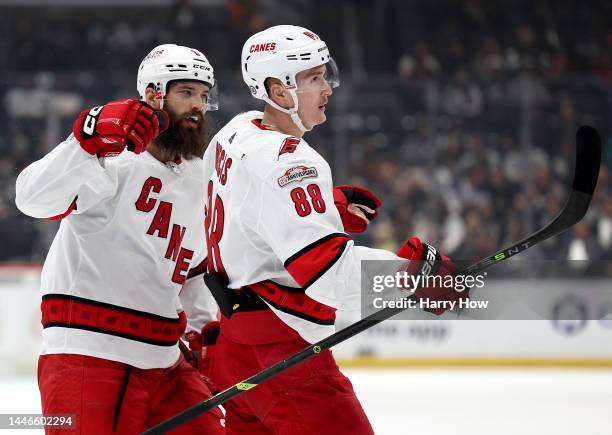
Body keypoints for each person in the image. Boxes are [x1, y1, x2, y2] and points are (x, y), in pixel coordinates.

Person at [200, 25, 467, 434]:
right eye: (313, 78)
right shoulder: (290, 163)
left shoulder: (231, 135)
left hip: (234, 349)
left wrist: (323, 211)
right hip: (282, 357)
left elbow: (245, 217)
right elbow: (327, 276)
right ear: (278, 90)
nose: (328, 88)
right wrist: (411, 276)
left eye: (325, 74)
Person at [15, 44, 225, 434]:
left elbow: (192, 268)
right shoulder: (110, 159)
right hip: (88, 355)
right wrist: (85, 142)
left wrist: (204, 328)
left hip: (165, 362)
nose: (198, 105)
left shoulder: (200, 175)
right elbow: (30, 198)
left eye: (203, 95)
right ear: (153, 95)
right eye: (186, 92)